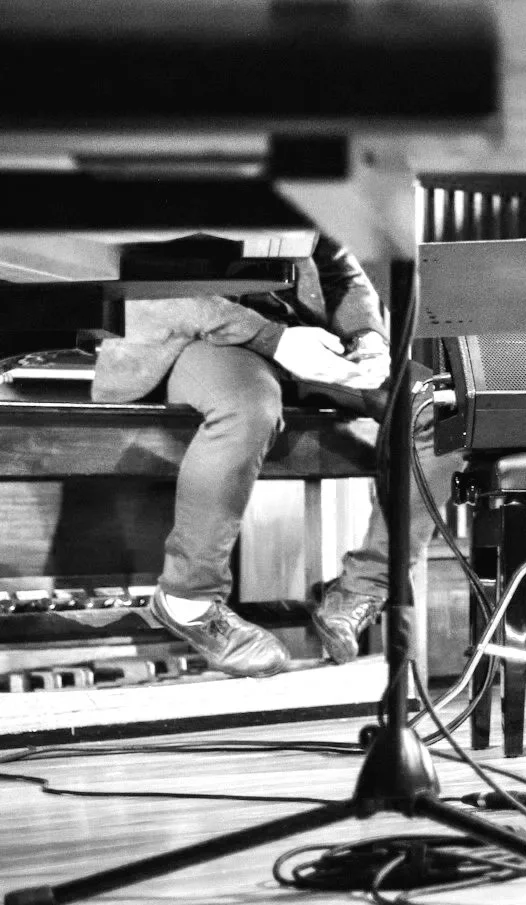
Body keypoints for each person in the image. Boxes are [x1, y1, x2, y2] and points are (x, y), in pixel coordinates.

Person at [93, 235, 453, 678]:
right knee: (249, 408)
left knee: (439, 407)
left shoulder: (302, 172)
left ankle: (364, 588)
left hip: (300, 336)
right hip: (192, 335)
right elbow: (147, 287)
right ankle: (188, 600)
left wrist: (369, 338)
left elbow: (339, 267)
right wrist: (274, 339)